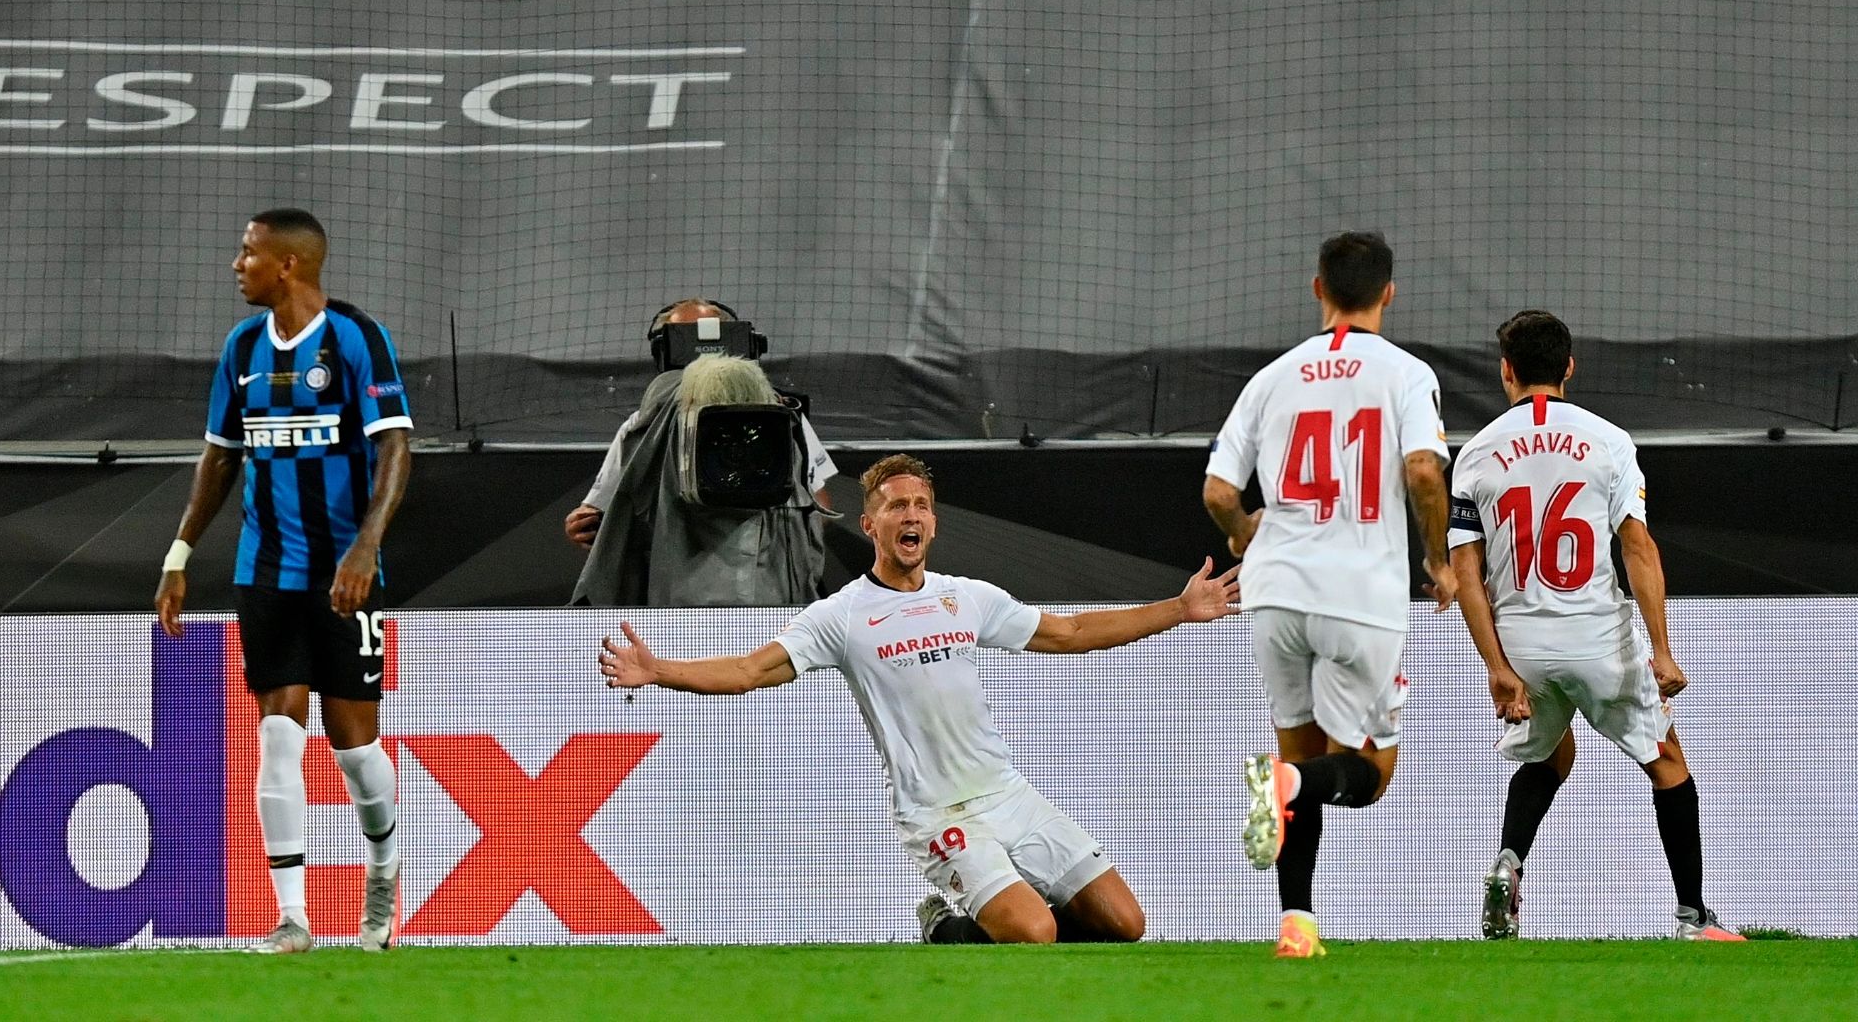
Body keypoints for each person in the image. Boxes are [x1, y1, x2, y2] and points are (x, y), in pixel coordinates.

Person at [598, 454, 1241, 944]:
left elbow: (1070, 633)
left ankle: (1003, 912)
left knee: (1126, 924)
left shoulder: (968, 597)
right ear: (870, 523)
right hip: (937, 814)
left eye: (921, 504)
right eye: (896, 505)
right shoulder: (843, 615)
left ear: (932, 521)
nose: (911, 515)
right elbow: (748, 670)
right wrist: (662, 671)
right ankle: (946, 923)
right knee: (1037, 935)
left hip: (1008, 793)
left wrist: (1179, 610)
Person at [154, 208, 412, 955]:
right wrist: (178, 555)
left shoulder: (355, 338)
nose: (238, 265)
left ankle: (384, 871)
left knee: (356, 751)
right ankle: (293, 917)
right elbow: (220, 459)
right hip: (265, 570)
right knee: (277, 734)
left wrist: (365, 548)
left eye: (248, 254)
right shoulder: (241, 350)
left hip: (344, 574)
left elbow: (396, 447)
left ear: (289, 265)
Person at [1447, 310, 1745, 942]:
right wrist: (1661, 651)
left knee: (1553, 751)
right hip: (1597, 640)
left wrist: (1498, 669)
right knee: (1666, 762)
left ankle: (1506, 864)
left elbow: (1464, 571)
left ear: (1505, 370)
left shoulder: (1475, 453)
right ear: (1570, 368)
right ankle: (1694, 917)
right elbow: (1638, 550)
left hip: (1522, 645)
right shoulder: (1608, 441)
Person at [1201, 231, 1457, 959]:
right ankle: (1285, 789)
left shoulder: (1272, 378)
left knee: (1298, 758)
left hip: (1275, 593)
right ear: (1389, 293)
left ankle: (1297, 925)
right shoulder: (1406, 373)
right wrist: (1437, 560)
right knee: (1366, 777)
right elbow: (1423, 474)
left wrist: (1248, 532)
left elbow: (1219, 490)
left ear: (1317, 289)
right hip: (1361, 595)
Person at [564, 298, 835, 549]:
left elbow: (818, 504)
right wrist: (583, 527)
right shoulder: (643, 427)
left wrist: (788, 551)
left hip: (762, 572)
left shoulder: (781, 418)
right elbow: (595, 514)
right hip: (671, 574)